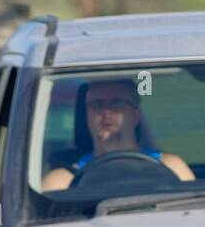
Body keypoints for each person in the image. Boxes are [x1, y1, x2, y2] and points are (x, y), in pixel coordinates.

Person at [42, 79, 194, 191]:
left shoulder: (171, 167)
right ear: (87, 116)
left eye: (117, 104)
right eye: (97, 105)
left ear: (135, 116)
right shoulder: (64, 181)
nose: (106, 112)